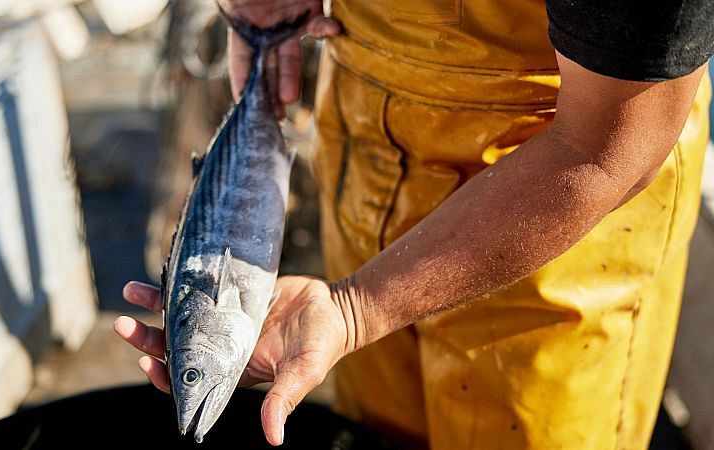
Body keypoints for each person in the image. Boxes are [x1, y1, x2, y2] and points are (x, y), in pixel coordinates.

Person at [114, 0, 714, 448]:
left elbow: (606, 150)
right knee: (378, 435)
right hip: (366, 154)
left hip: (555, 223)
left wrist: (353, 312)